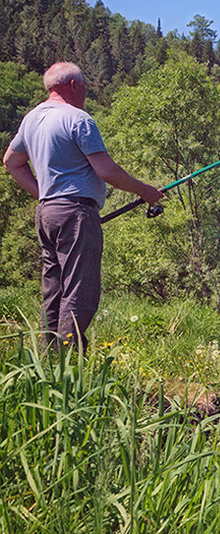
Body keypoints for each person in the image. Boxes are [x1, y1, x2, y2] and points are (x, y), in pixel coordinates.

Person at [3, 62, 162, 351]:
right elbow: (107, 171)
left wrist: (44, 192)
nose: (86, 92)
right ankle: (69, 364)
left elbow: (11, 162)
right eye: (85, 87)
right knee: (79, 289)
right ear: (74, 86)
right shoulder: (78, 119)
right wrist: (146, 191)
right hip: (75, 213)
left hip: (46, 213)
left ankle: (48, 359)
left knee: (54, 289)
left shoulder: (31, 119)